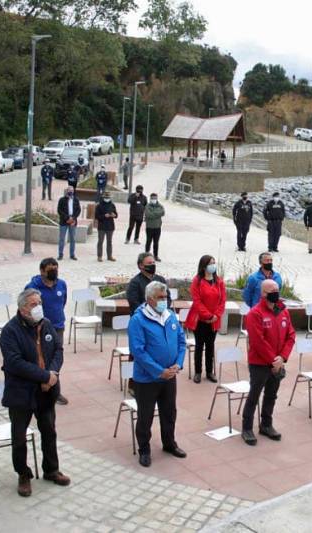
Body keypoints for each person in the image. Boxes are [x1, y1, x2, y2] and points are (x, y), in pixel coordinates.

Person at [0, 289, 70, 497]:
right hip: (21, 393)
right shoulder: (10, 331)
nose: (38, 307)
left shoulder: (46, 324)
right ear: (22, 308)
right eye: (33, 304)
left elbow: (58, 350)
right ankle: (23, 474)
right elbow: (15, 363)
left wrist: (53, 374)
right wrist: (44, 376)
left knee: (49, 430)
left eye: (39, 302)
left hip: (47, 391)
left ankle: (51, 469)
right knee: (19, 436)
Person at [128, 281, 187, 467]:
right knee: (145, 416)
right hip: (147, 379)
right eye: (161, 297)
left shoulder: (171, 316)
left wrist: (177, 364)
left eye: (166, 296)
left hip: (170, 376)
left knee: (169, 412)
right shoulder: (138, 320)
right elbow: (138, 351)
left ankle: (169, 443)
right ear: (150, 299)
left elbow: (181, 342)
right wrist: (159, 371)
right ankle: (144, 449)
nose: (165, 300)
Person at [241, 279, 295, 445]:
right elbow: (258, 342)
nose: (275, 292)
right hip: (260, 363)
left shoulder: (283, 311)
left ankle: (266, 424)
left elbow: (291, 335)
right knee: (254, 395)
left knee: (272, 394)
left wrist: (282, 358)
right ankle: (247, 428)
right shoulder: (255, 314)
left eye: (277, 289)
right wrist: (273, 360)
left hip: (278, 361)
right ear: (263, 293)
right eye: (271, 290)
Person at [24, 259, 69, 406]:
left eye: (56, 269)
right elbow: (26, 306)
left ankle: (55, 389)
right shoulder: (33, 287)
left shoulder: (62, 284)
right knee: (41, 357)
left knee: (56, 358)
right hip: (40, 328)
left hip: (58, 326)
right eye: (50, 270)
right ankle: (38, 387)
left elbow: (63, 302)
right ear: (42, 271)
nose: (54, 272)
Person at [184, 255, 225, 383]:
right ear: (204, 265)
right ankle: (198, 372)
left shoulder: (219, 282)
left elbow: (222, 300)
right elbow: (197, 301)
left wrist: (216, 315)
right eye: (210, 263)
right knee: (199, 346)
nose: (213, 265)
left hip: (214, 321)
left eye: (214, 263)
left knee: (210, 346)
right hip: (200, 320)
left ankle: (209, 372)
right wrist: (207, 315)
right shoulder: (197, 281)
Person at [56, 186, 80, 261]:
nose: (71, 192)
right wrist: (67, 218)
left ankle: (72, 255)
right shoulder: (62, 200)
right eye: (69, 190)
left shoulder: (76, 199)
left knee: (72, 239)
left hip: (73, 221)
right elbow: (59, 210)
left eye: (72, 190)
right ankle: (60, 254)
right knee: (62, 239)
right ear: (66, 191)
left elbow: (78, 210)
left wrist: (73, 218)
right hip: (64, 221)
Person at [94, 193, 118, 262]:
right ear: (103, 198)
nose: (107, 199)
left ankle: (109, 256)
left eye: (108, 197)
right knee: (100, 242)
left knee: (109, 242)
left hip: (110, 226)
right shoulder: (99, 205)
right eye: (106, 197)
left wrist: (114, 215)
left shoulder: (112, 205)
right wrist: (104, 216)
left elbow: (116, 215)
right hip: (102, 226)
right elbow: (96, 216)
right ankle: (99, 256)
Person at [144, 193, 165, 261]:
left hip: (157, 227)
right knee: (148, 241)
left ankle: (155, 256)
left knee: (156, 243)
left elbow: (163, 212)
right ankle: (146, 256)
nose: (154, 199)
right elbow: (148, 214)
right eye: (152, 198)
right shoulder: (147, 206)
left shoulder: (160, 206)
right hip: (149, 227)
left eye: (155, 198)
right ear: (150, 199)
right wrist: (157, 214)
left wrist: (154, 213)